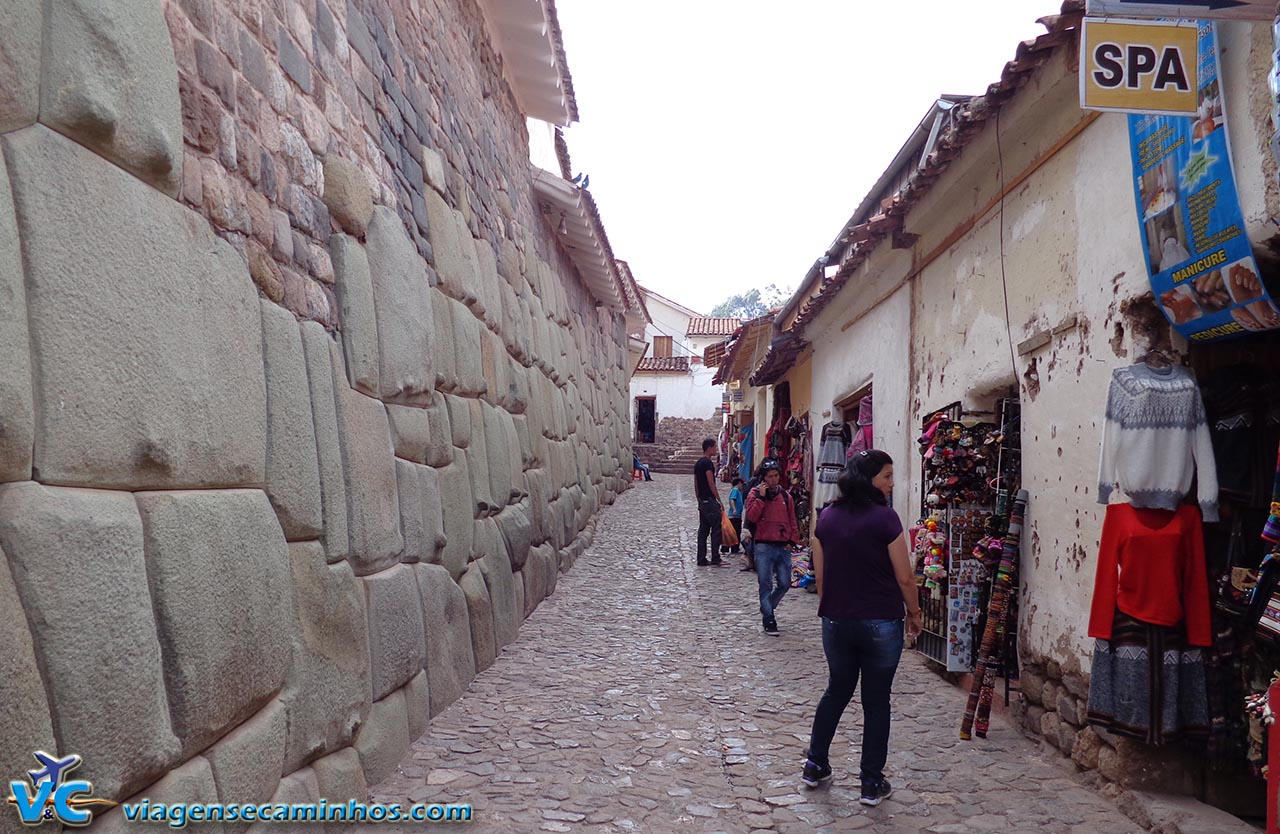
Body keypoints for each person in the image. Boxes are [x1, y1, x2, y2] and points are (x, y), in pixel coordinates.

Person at [800, 450, 922, 806]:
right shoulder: (886, 520)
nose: (892, 482)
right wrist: (914, 612)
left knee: (835, 691)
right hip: (881, 623)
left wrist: (837, 607)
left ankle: (815, 764)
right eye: (886, 475)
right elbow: (905, 575)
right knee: (876, 700)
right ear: (870, 479)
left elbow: (821, 580)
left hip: (837, 621)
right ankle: (870, 782)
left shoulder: (827, 519)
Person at [744, 462, 799, 635]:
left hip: (783, 546)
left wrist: (793, 540)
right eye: (770, 476)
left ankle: (767, 607)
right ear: (763, 478)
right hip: (763, 546)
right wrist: (761, 498)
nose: (774, 480)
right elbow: (752, 516)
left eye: (776, 476)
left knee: (784, 583)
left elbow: (792, 519)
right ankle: (769, 619)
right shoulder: (754, 494)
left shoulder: (785, 496)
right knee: (765, 583)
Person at [693, 438, 723, 566]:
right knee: (716, 529)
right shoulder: (708, 464)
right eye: (715, 447)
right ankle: (715, 557)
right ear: (709, 448)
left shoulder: (698, 463)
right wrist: (719, 499)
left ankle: (701, 558)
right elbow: (711, 482)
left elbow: (695, 483)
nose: (716, 449)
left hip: (702, 500)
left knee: (703, 530)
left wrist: (698, 498)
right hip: (710, 500)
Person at [722, 477, 744, 557]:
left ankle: (728, 548)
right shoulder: (735, 490)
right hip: (734, 516)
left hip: (736, 516)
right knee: (734, 532)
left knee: (732, 532)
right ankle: (734, 548)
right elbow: (732, 499)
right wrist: (734, 509)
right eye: (742, 484)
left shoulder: (738, 491)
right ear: (739, 483)